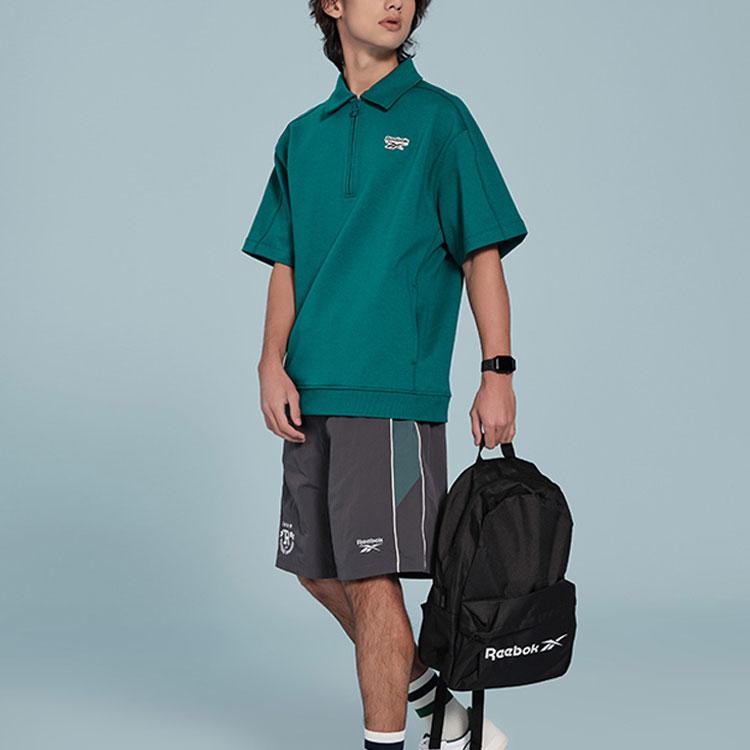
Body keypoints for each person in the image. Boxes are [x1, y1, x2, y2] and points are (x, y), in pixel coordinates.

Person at [240, 2, 528, 748]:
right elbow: (285, 262)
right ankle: (433, 699)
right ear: (332, 4)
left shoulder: (440, 120)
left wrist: (497, 370)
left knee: (372, 577)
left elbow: (481, 253)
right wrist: (270, 362)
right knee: (316, 569)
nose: (397, 2)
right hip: (311, 389)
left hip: (391, 392)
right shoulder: (302, 136)